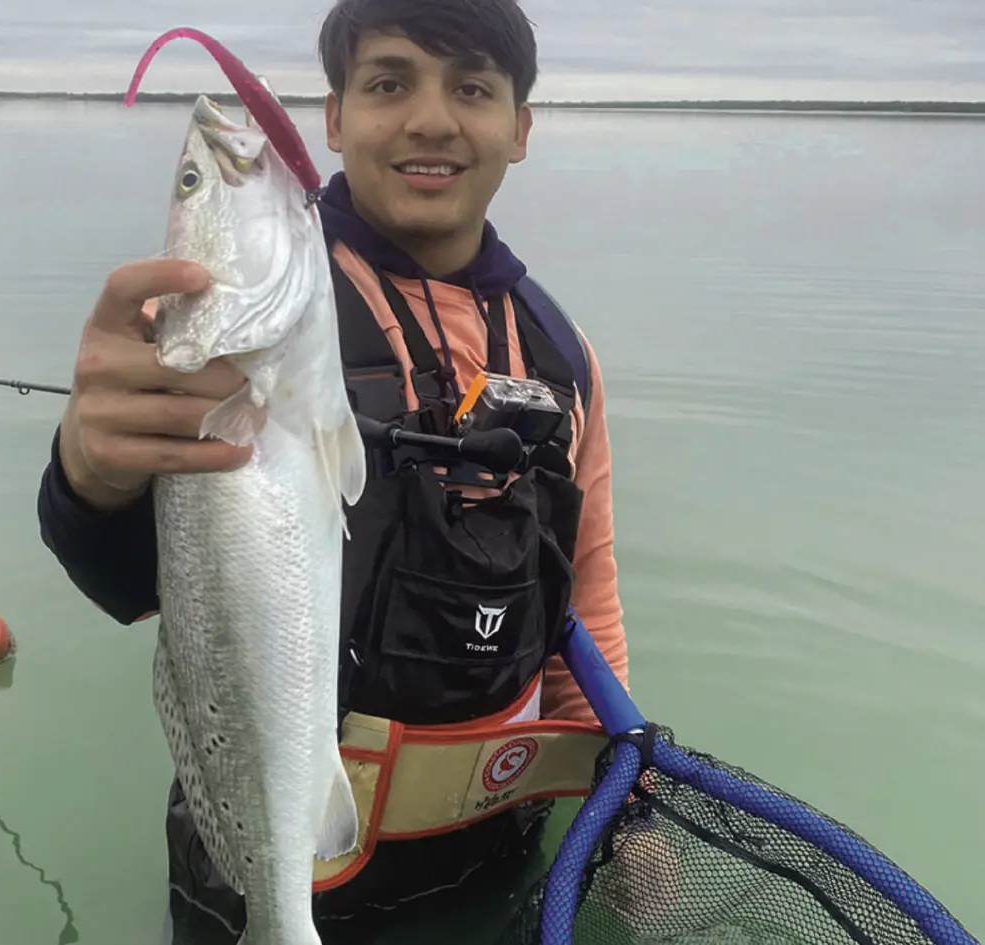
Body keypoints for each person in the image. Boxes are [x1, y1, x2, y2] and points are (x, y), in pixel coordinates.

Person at [37, 0, 629, 941]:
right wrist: (88, 472)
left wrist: (618, 789)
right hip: (261, 860)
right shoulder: (225, 337)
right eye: (388, 82)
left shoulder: (560, 354)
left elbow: (581, 592)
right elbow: (140, 578)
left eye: (471, 88)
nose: (430, 119)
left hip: (490, 852)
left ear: (518, 129)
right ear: (333, 118)